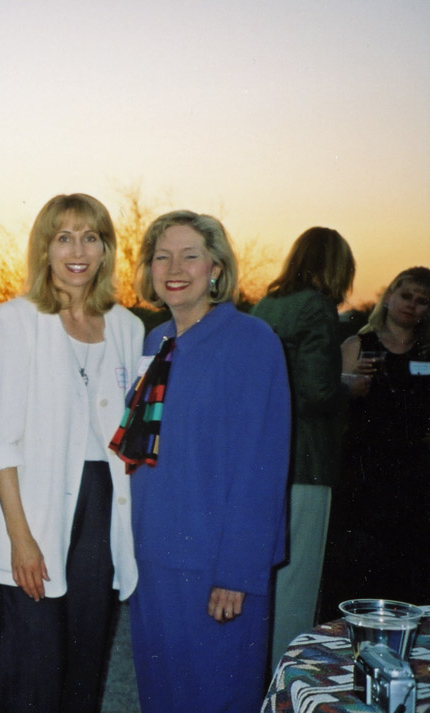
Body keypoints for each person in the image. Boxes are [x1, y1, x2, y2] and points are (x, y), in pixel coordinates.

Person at [112, 210, 290, 713]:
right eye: (162, 257)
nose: (174, 268)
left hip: (214, 565)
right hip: (152, 558)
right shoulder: (155, 342)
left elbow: (262, 466)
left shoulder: (252, 341)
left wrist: (239, 571)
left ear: (216, 267)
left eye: (190, 256)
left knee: (216, 696)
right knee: (161, 696)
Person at [0, 194, 143, 713]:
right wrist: (21, 539)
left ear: (106, 249)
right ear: (44, 249)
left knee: (83, 668)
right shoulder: (16, 319)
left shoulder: (127, 327)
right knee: (30, 672)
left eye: (90, 238)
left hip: (101, 514)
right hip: (34, 512)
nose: (78, 251)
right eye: (64, 238)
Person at [249, 227, 360, 670]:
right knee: (297, 585)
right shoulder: (318, 308)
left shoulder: (266, 305)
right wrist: (348, 387)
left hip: (267, 457)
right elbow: (316, 392)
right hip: (309, 462)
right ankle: (289, 683)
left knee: (269, 579)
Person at [323, 266, 430, 608]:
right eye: (406, 295)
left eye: (422, 301)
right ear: (388, 297)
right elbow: (330, 406)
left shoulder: (427, 354)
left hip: (415, 481)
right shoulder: (357, 345)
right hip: (362, 478)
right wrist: (349, 382)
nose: (412, 305)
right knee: (356, 573)